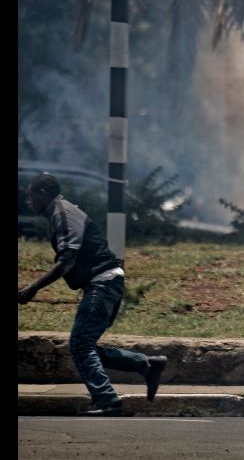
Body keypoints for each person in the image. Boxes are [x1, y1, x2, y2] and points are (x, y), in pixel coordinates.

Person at [18, 173, 167, 416]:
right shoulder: (60, 212)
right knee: (84, 346)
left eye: (30, 196)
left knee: (80, 346)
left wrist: (33, 287)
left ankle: (108, 401)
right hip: (106, 283)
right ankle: (146, 364)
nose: (28, 202)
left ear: (43, 194)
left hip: (103, 283)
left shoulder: (62, 213)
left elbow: (67, 259)